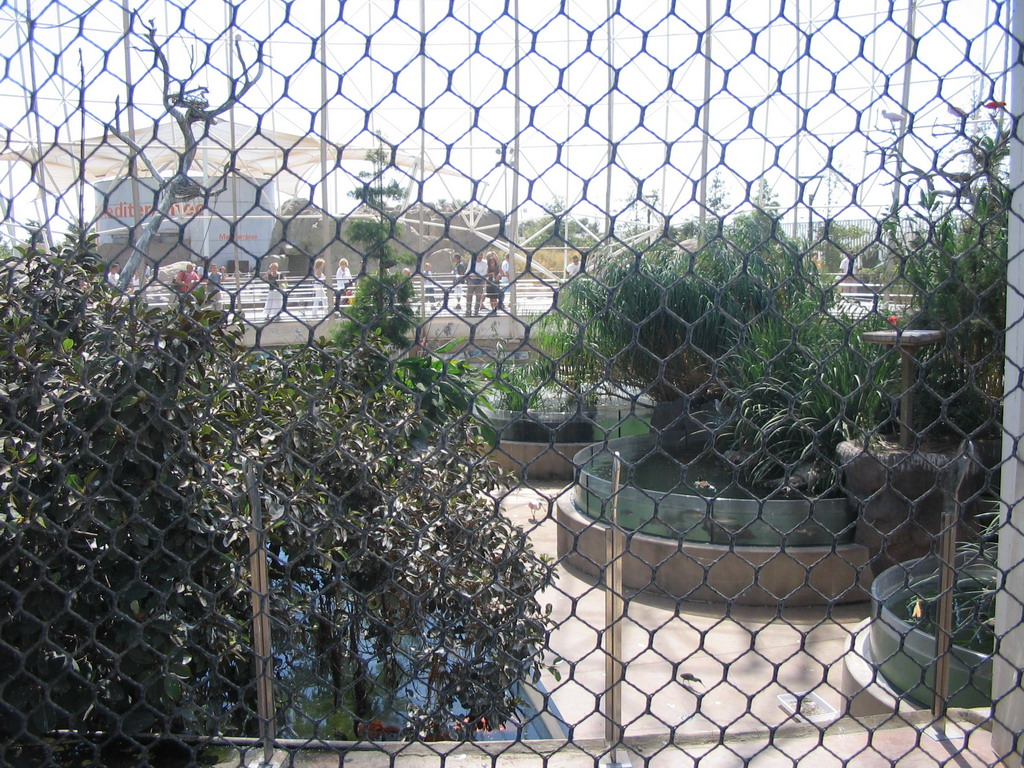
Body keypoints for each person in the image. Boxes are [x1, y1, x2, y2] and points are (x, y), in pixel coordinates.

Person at [465, 252, 486, 317]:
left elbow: (484, 272)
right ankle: (468, 310)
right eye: (479, 255)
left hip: (480, 281)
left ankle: (476, 311)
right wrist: (470, 275)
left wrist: (477, 275)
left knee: (478, 296)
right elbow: (468, 270)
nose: (480, 256)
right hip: (471, 280)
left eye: (481, 255)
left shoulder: (484, 263)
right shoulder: (472, 261)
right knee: (469, 295)